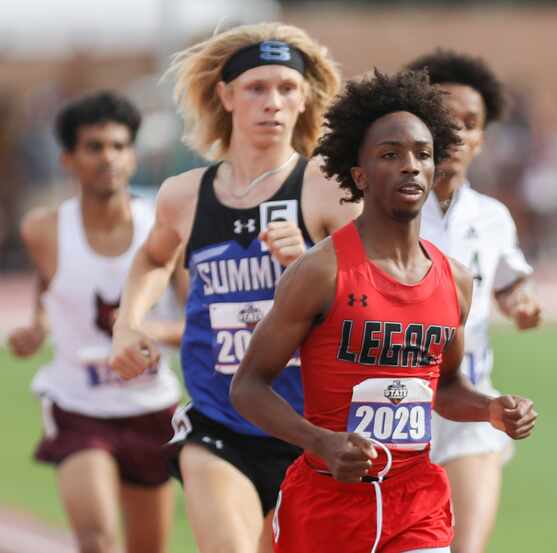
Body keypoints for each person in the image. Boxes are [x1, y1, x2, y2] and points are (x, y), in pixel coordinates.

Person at [229, 69, 538, 553]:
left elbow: (448, 389)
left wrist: (491, 409)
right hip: (327, 503)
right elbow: (248, 385)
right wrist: (320, 441)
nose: (411, 166)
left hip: (416, 502)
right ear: (360, 175)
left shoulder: (454, 279)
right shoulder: (321, 272)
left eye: (422, 154)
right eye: (390, 155)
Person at [109, 22, 354, 553]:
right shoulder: (186, 195)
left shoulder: (329, 188)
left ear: (306, 97)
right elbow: (152, 260)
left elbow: (380, 296)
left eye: (287, 88)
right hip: (219, 422)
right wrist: (127, 324)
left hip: (312, 433)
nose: (273, 103)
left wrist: (315, 266)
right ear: (225, 95)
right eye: (256, 88)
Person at [7, 91, 182, 553]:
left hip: (151, 407)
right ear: (68, 158)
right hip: (78, 405)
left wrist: (151, 333)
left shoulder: (164, 231)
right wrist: (38, 324)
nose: (109, 158)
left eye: (119, 146)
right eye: (95, 147)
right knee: (98, 541)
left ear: (134, 155)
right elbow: (51, 283)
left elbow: (201, 324)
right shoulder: (42, 229)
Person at [404, 49, 541, 553]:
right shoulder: (377, 212)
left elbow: (506, 283)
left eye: (470, 122)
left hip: (470, 409)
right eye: (444, 119)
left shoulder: (492, 217)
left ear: (483, 138)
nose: (456, 133)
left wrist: (521, 303)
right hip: (389, 410)